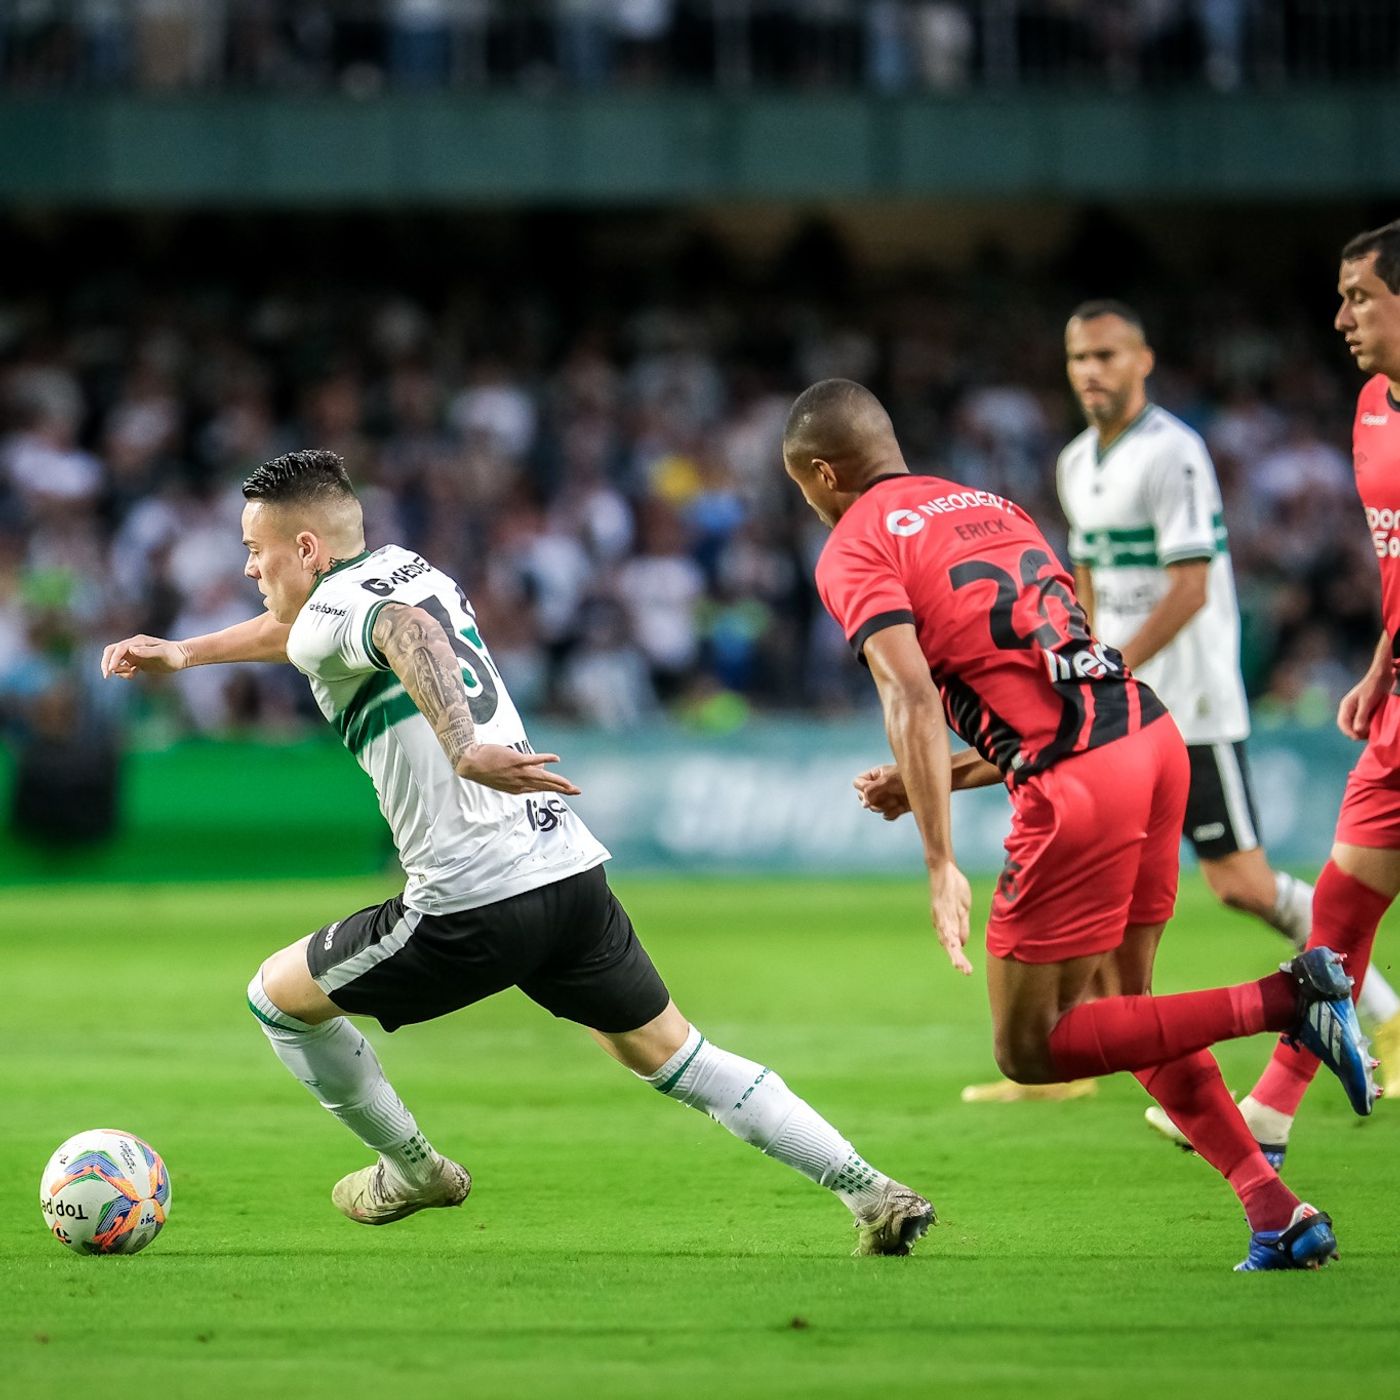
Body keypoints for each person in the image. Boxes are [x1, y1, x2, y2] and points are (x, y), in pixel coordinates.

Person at [101, 449, 932, 1256]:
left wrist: (461, 746)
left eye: (256, 551)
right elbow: (319, 627)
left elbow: (396, 632)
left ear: (306, 549)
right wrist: (186, 651)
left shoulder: (358, 610)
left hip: (468, 903)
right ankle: (871, 1189)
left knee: (277, 1000)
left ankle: (413, 1171)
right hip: (567, 875)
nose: (249, 568)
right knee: (676, 1055)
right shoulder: (405, 566)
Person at [782, 378, 1375, 1271]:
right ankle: (1276, 1211)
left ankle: (1293, 998)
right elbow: (1055, 684)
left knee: (1030, 1048)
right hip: (1149, 735)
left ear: (823, 473)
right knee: (1131, 1016)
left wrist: (938, 855)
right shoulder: (995, 508)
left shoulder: (854, 544)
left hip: (1080, 789)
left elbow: (905, 689)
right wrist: (938, 779)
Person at [962, 299, 1400, 1112]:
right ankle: (1080, 1052)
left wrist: (1104, 672)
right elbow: (1085, 588)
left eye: (1106, 355)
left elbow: (1192, 587)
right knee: (1105, 894)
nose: (1091, 371)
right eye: (1078, 358)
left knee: (1240, 882)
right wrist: (1087, 659)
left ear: (1143, 360)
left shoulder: (1175, 453)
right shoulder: (1075, 463)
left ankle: (1383, 1013)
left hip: (1189, 703)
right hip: (1121, 712)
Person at [1228, 219, 1400, 1165]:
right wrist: (1381, 664)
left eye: (1361, 296)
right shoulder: (1373, 406)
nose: (1341, 317)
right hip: (1399, 698)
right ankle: (1271, 1112)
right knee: (1339, 908)